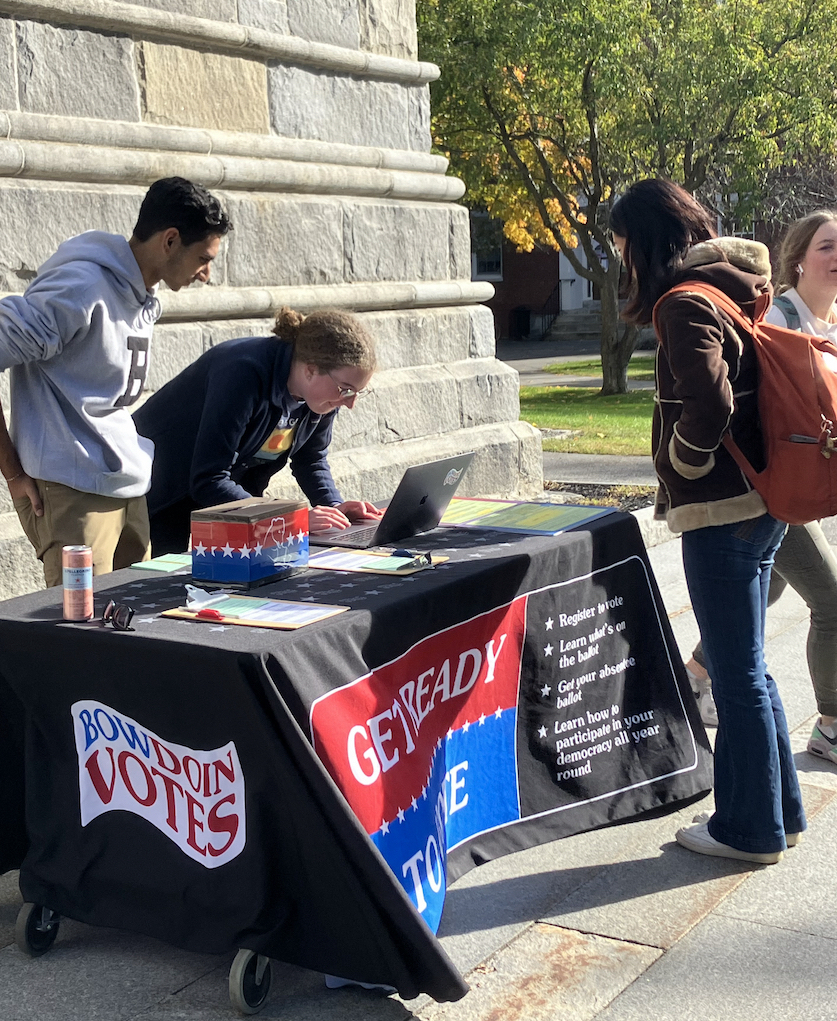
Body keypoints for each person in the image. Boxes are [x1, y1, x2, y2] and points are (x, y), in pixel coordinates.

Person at [609, 178, 806, 864]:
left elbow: (711, 401)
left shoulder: (681, 302)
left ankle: (746, 829)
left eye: (619, 241)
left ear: (643, 238)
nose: (619, 256)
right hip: (758, 504)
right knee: (744, 663)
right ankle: (777, 810)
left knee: (735, 672)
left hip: (722, 508)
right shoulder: (728, 286)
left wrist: (683, 463)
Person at [0, 176, 231, 585]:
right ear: (171, 240)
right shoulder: (80, 287)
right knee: (79, 639)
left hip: (126, 485)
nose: (206, 275)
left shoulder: (141, 293)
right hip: (73, 491)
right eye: (203, 259)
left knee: (134, 627)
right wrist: (13, 473)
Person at [685, 209, 837, 760]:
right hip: (772, 487)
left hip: (809, 485)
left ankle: (692, 678)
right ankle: (831, 725)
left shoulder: (833, 325)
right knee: (832, 597)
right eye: (827, 246)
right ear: (798, 258)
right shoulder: (780, 321)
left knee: (767, 588)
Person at [133, 307, 383, 555]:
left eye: (358, 392)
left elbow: (311, 460)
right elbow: (209, 478)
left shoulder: (324, 397)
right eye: (346, 390)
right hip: (159, 493)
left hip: (225, 500)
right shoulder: (243, 372)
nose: (350, 403)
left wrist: (334, 506)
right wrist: (289, 520)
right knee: (161, 586)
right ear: (310, 369)